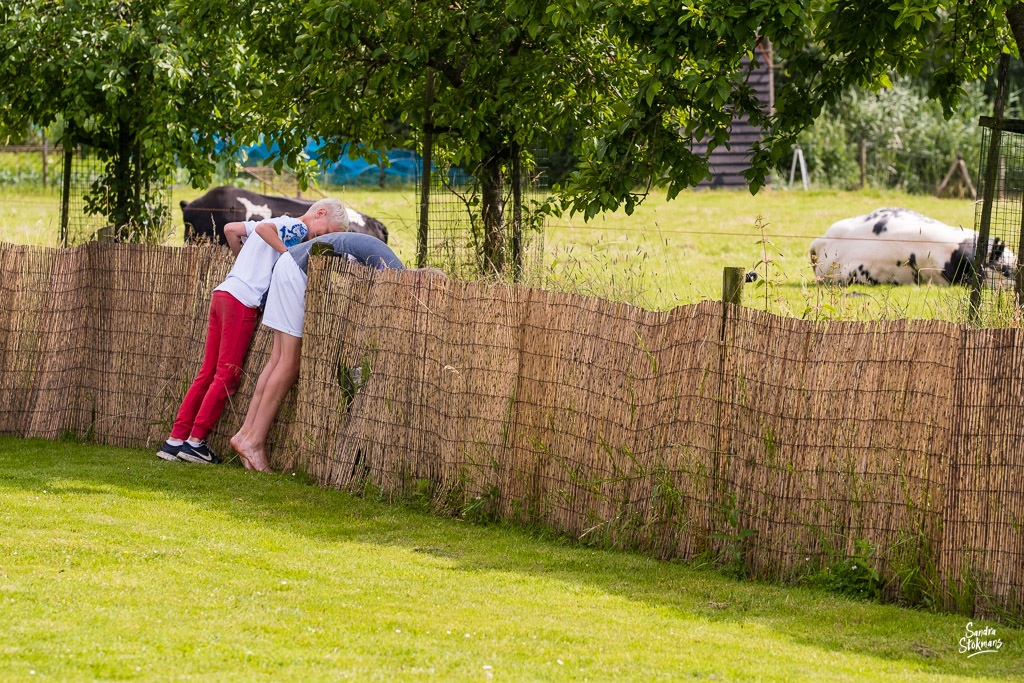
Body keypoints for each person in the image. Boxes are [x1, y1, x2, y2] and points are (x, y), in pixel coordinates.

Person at [230, 232, 447, 472]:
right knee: (289, 364)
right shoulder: (392, 270)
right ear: (420, 283)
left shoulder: (389, 267)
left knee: (277, 360)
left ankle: (244, 435)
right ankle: (254, 442)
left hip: (289, 265)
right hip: (297, 271)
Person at [156, 199, 349, 464]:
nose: (321, 237)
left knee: (207, 372)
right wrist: (288, 256)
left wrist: (244, 264)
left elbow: (231, 230)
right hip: (241, 303)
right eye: (327, 231)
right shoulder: (297, 229)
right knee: (227, 376)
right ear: (320, 213)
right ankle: (195, 442)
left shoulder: (279, 222)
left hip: (224, 292)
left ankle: (174, 440)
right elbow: (263, 231)